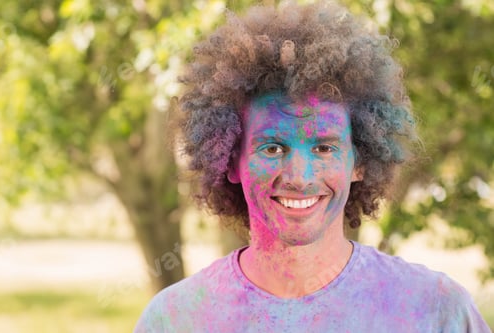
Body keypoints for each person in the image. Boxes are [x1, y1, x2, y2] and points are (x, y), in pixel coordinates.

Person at [134, 1, 491, 332]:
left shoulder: (436, 311)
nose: (299, 177)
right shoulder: (175, 319)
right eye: (272, 147)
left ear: (360, 161)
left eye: (323, 147)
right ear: (230, 160)